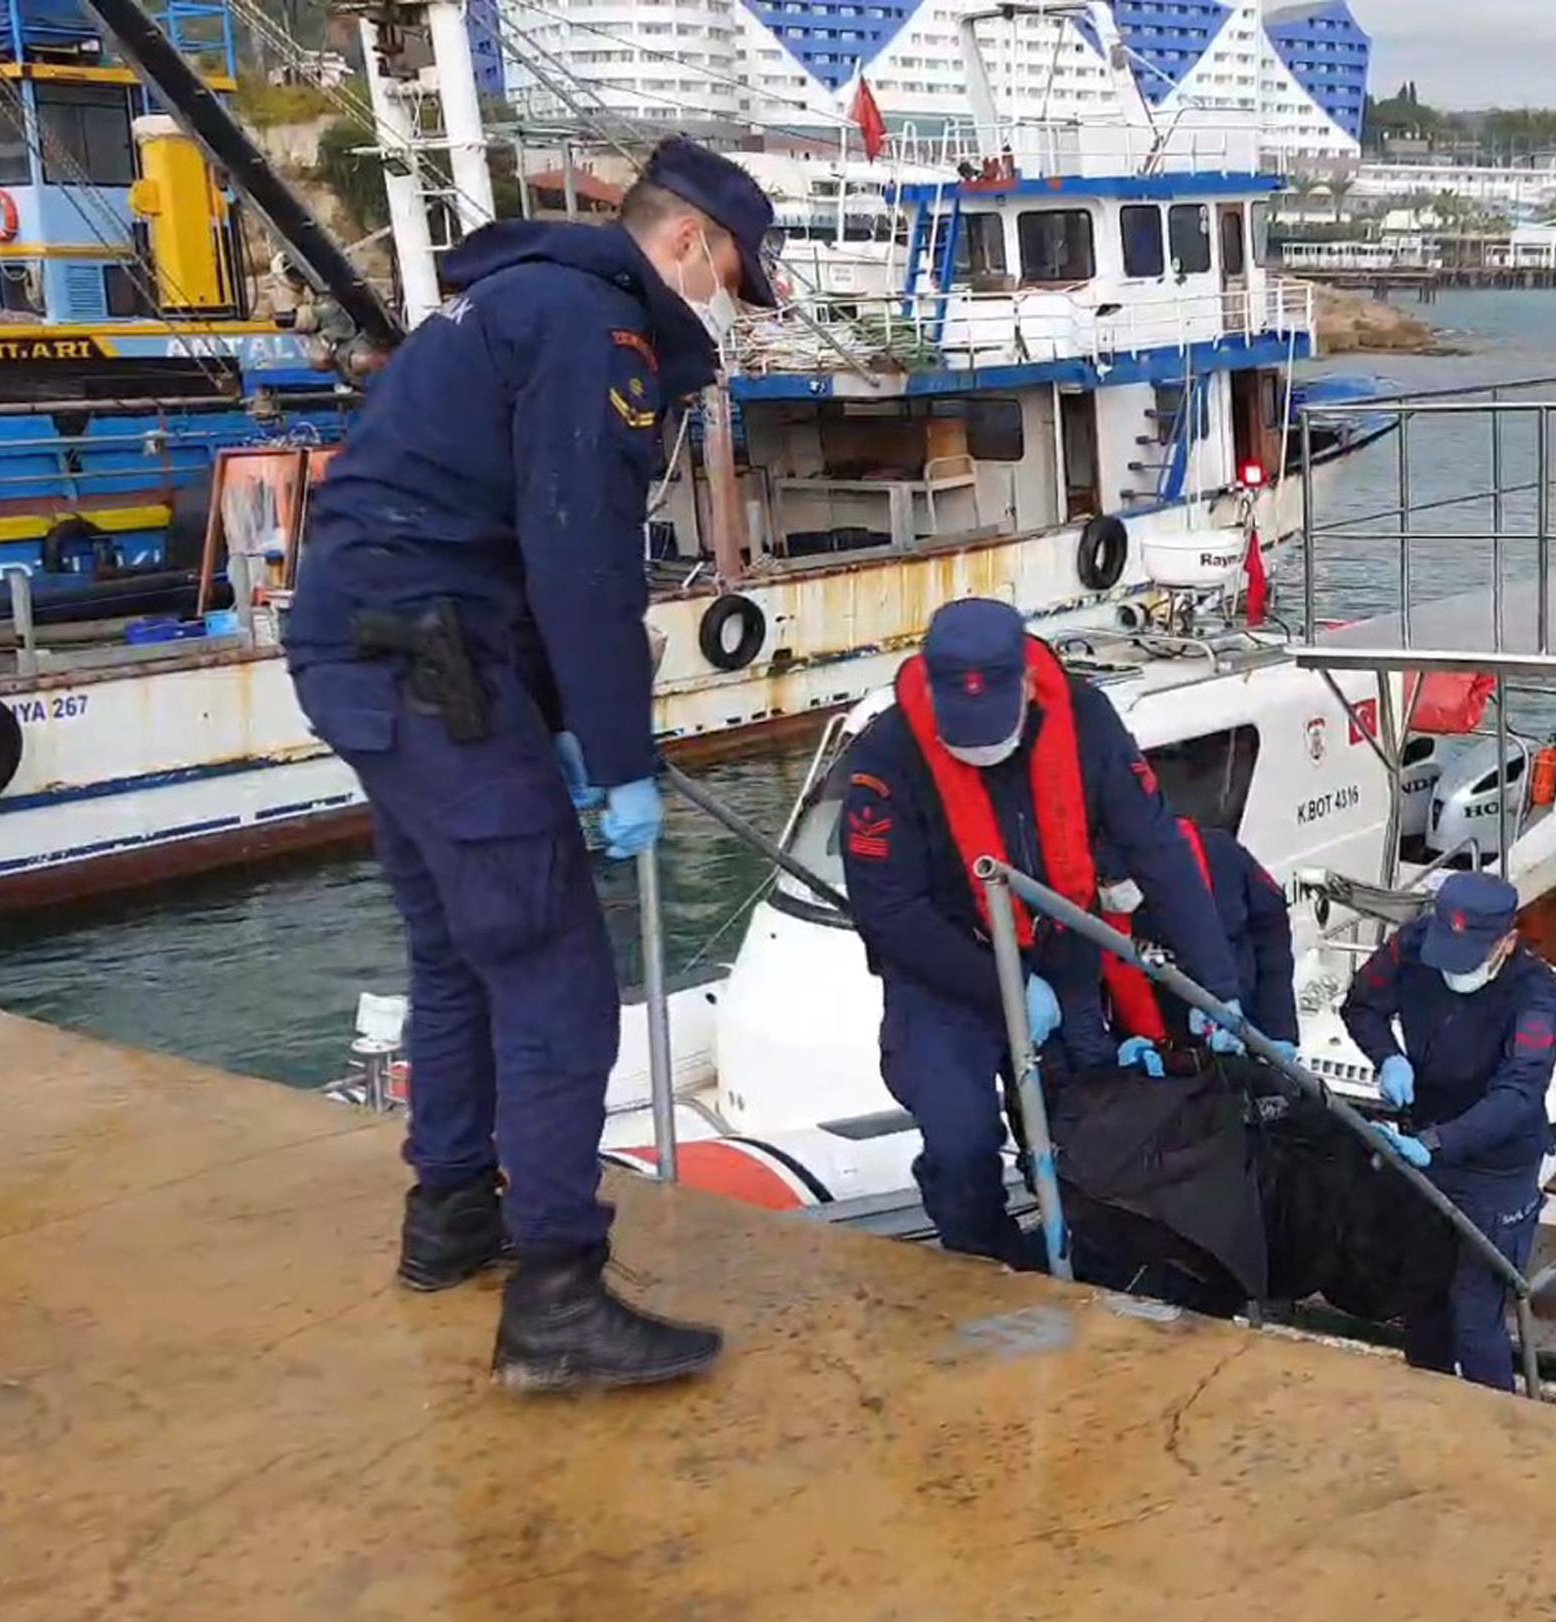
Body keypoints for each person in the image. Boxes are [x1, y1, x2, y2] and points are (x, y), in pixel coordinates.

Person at [285, 138, 779, 1392]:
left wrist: (555, 723)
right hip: (436, 661)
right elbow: (580, 560)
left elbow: (513, 537)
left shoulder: (517, 296)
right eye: (731, 275)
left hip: (380, 647)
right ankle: (556, 1295)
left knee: (458, 950)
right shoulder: (591, 327)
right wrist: (616, 758)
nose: (729, 305)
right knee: (558, 975)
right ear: (683, 247)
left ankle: (451, 1218)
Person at [839, 596, 1244, 1265]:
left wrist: (1216, 984)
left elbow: (1156, 847)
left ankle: (1099, 1259)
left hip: (1061, 958)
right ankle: (985, 1257)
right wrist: (1000, 985)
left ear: (1026, 682)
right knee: (960, 1138)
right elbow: (886, 910)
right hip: (946, 975)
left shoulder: (1085, 721)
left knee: (1092, 1125)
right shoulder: (887, 757)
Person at [1340, 871, 1556, 1390]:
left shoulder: (1537, 995)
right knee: (1421, 1299)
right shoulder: (1413, 945)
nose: (1449, 968)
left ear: (1506, 943)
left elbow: (1519, 1093)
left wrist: (1436, 1143)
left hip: (1497, 1166)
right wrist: (1388, 1057)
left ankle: (1499, 1432)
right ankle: (1429, 1414)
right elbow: (1361, 1005)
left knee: (1475, 1315)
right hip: (1424, 1141)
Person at [1102, 819, 1299, 1072]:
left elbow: (1272, 929)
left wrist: (1279, 1029)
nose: (1111, 891)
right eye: (1103, 882)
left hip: (1247, 1030)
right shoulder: (1093, 900)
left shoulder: (1219, 853)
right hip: (1157, 1055)